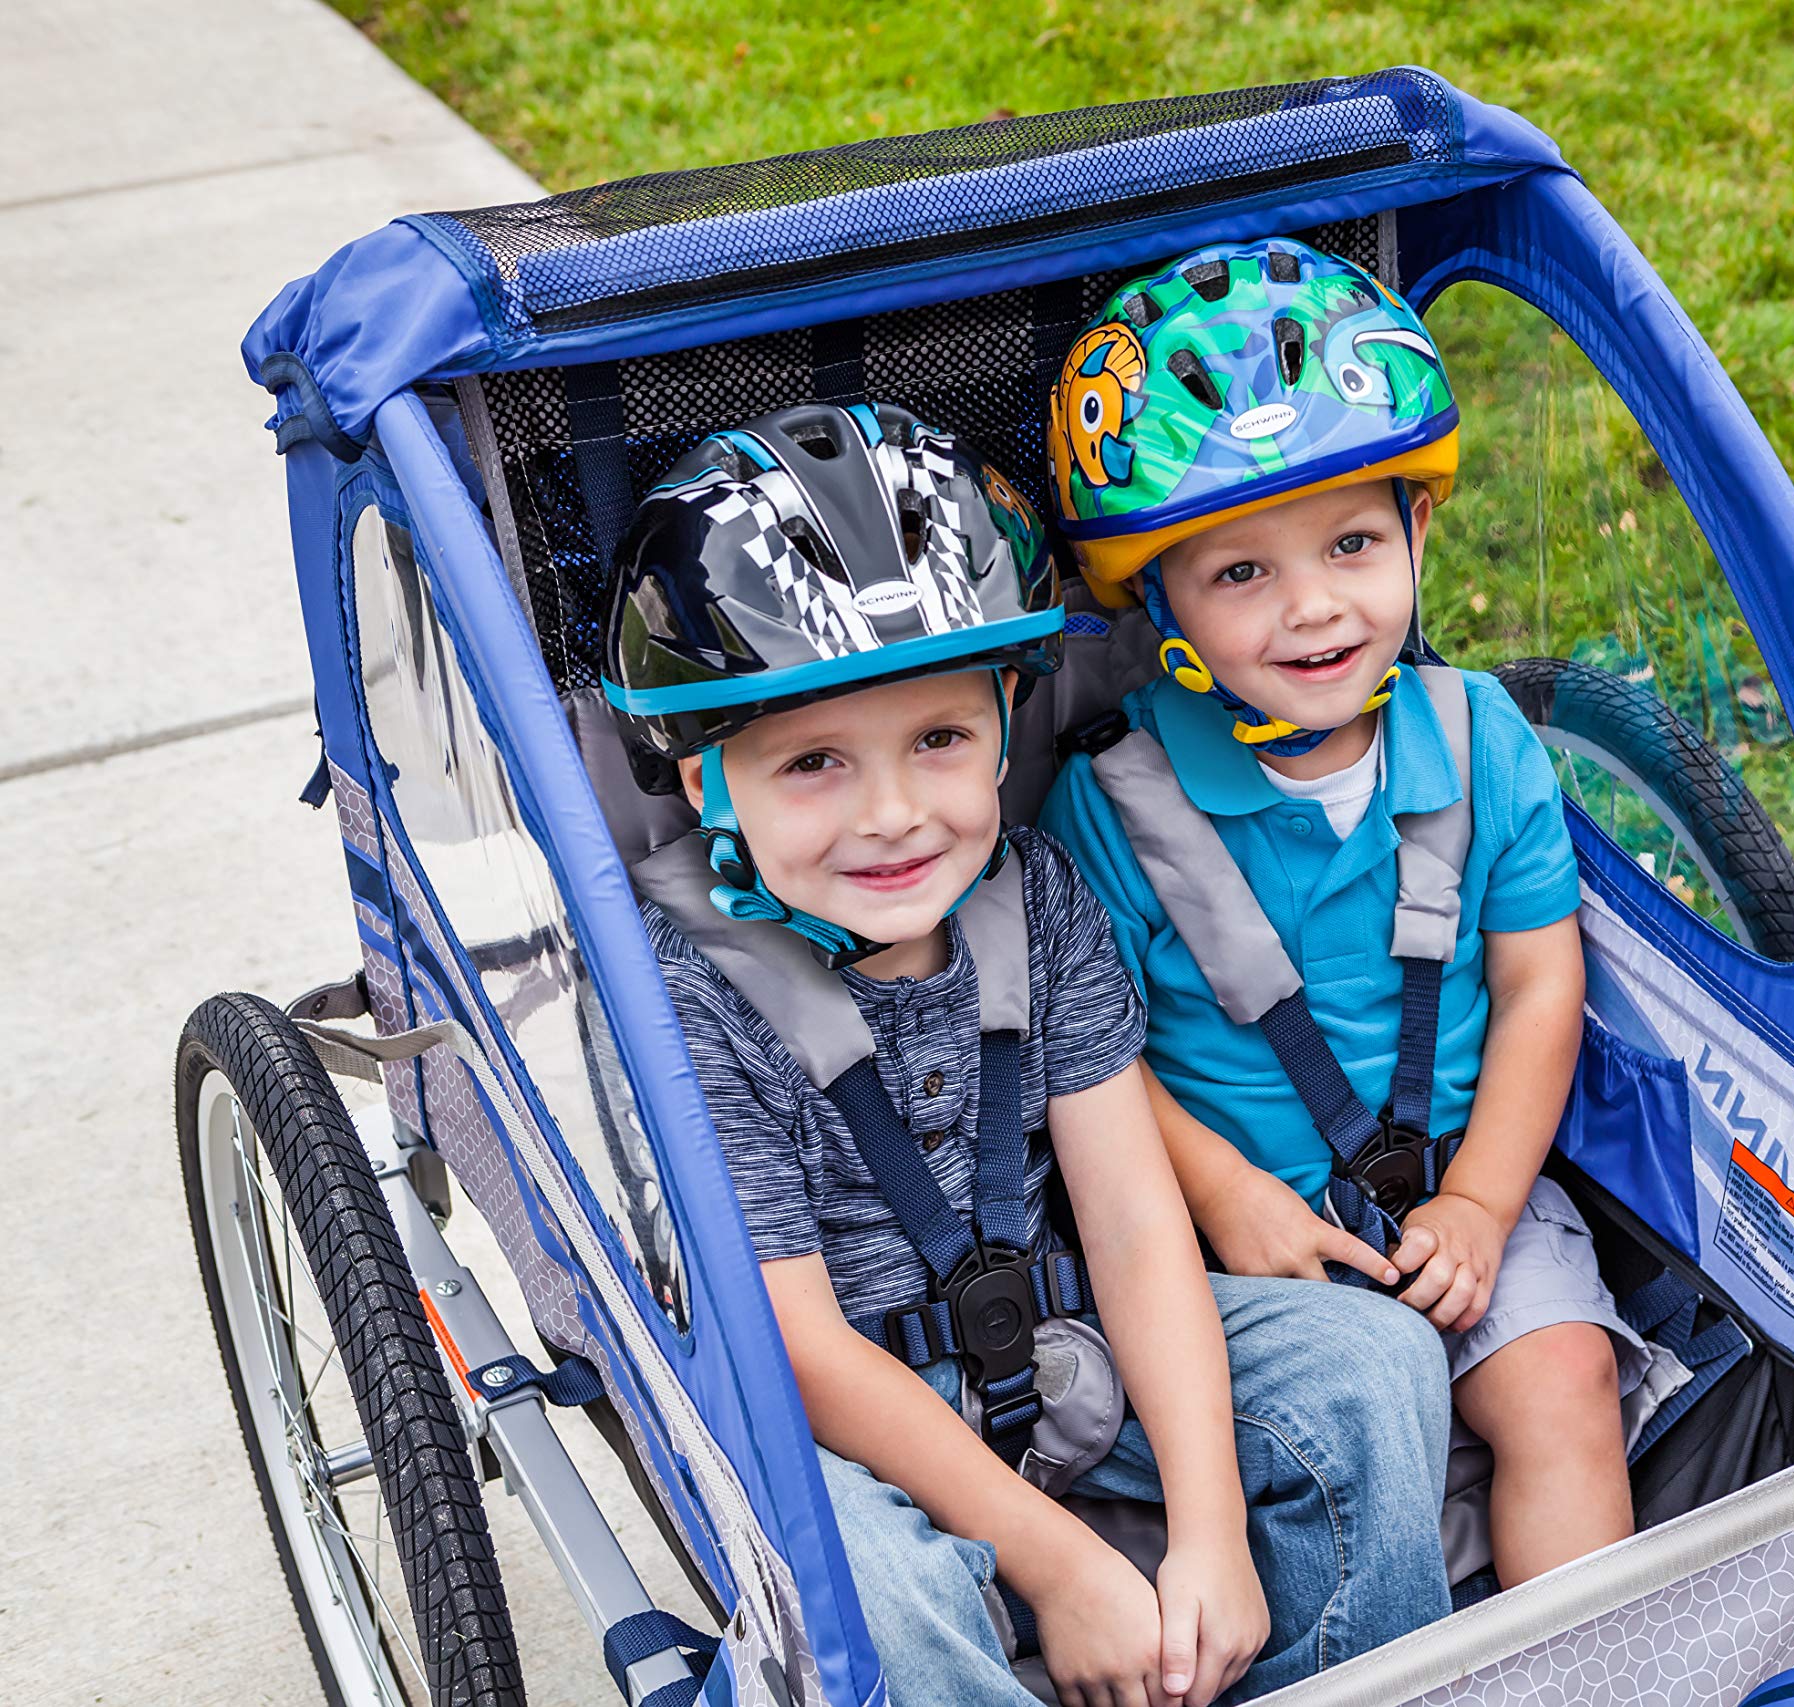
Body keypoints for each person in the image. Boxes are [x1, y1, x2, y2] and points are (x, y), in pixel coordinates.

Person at [603, 402, 1453, 1707]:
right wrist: (1060, 1572)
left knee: (1375, 1367)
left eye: (939, 740)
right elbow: (803, 1350)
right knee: (873, 1595)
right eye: (814, 762)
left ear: (1008, 719)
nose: (895, 814)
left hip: (1064, 1333)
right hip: (845, 1416)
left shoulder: (1036, 899)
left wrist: (1213, 1532)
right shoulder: (694, 997)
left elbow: (1134, 1227)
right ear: (705, 780)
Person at [1040, 240, 1644, 1590]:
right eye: (1240, 574)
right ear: (1160, 598)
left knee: (1564, 1388)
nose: (1314, 607)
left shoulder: (1480, 738)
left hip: (1467, 1184)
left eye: (1354, 545)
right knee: (1336, 1442)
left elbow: (1540, 988)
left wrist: (1482, 1202)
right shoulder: (1115, 806)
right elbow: (1095, 1068)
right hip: (1238, 1232)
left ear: (1418, 532)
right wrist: (1225, 1197)